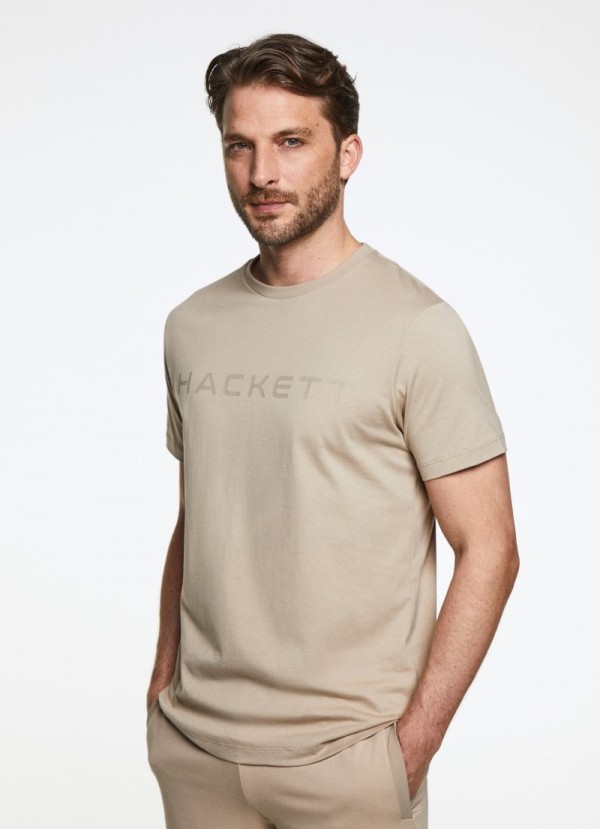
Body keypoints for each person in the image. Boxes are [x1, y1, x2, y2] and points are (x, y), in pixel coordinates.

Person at [145, 32, 519, 829]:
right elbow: (198, 513)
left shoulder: (418, 328)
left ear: (347, 154)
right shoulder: (191, 326)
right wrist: (163, 680)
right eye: (239, 145)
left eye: (291, 142)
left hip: (349, 763)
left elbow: (490, 547)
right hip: (197, 753)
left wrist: (411, 747)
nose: (262, 173)